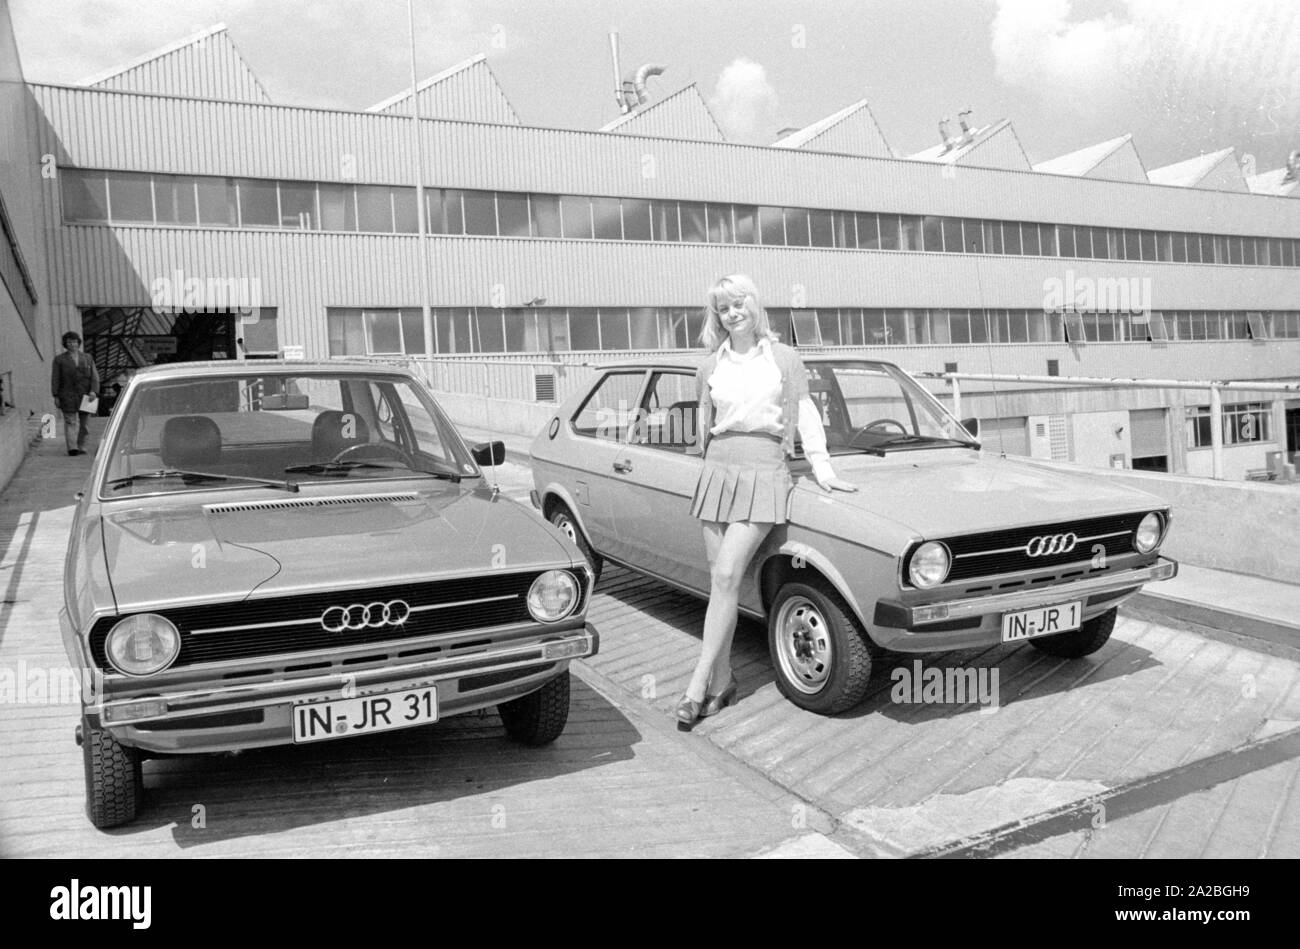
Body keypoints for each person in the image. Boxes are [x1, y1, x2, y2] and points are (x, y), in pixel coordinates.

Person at [678, 274, 857, 728]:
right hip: (718, 469)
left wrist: (824, 470)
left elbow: (807, 414)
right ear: (715, 316)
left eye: (738, 304)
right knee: (722, 585)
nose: (732, 313)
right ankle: (723, 682)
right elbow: (704, 422)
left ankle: (698, 682)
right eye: (723, 308)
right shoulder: (709, 364)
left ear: (755, 305)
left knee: (724, 574)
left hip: (763, 468)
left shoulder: (783, 358)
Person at [51, 330, 99, 456]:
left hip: (86, 395)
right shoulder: (59, 360)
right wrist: (55, 395)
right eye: (69, 342)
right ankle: (72, 448)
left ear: (79, 343)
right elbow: (55, 378)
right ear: (65, 344)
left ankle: (81, 446)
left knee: (85, 425)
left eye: (74, 342)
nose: (72, 344)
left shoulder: (87, 358)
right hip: (67, 395)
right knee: (70, 422)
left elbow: (94, 376)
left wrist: (94, 390)